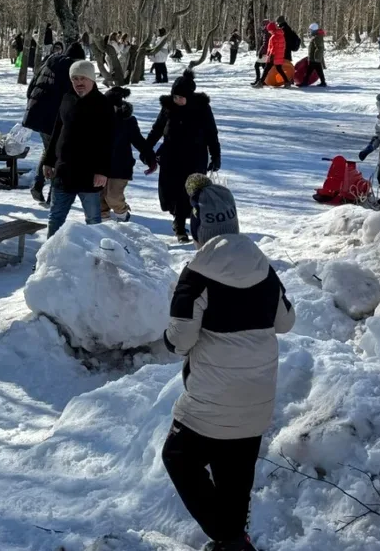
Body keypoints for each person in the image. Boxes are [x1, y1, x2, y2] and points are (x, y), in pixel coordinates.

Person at [161, 175, 295, 551]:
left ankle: (228, 538)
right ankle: (233, 540)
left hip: (209, 402)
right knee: (234, 477)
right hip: (257, 401)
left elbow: (181, 339)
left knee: (177, 457)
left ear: (198, 226)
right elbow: (286, 322)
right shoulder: (263, 268)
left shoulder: (197, 273)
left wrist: (168, 339)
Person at [146, 71, 221, 242]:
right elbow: (157, 129)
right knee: (172, 191)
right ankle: (178, 223)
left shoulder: (201, 108)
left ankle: (188, 226)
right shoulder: (168, 106)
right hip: (171, 156)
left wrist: (216, 155)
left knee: (191, 193)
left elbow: (211, 133)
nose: (177, 100)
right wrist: (146, 149)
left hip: (195, 157)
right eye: (175, 97)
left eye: (181, 97)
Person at [44, 60, 113, 237]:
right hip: (64, 170)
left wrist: (102, 171)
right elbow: (57, 130)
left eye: (83, 78)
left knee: (93, 221)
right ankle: (49, 260)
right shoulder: (67, 99)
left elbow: (108, 140)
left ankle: (95, 260)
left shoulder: (102, 103)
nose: (78, 82)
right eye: (75, 78)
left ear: (92, 79)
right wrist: (49, 160)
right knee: (55, 218)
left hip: (89, 173)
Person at [24, 42, 87, 204]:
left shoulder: (49, 62)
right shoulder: (72, 70)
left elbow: (30, 88)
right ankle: (54, 195)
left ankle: (38, 185)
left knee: (50, 151)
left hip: (37, 113)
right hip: (54, 118)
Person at [101, 87, 156, 222]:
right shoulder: (96, 119)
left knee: (113, 197)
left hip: (121, 166)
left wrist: (150, 158)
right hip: (99, 166)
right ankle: (103, 228)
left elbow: (138, 141)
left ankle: (123, 214)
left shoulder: (127, 121)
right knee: (100, 200)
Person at [254, 22, 289, 87]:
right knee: (279, 69)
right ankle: (287, 82)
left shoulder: (274, 37)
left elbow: (273, 48)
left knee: (266, 69)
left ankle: (261, 83)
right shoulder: (281, 35)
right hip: (279, 56)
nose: (269, 32)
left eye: (269, 30)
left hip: (273, 57)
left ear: (272, 30)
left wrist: (271, 55)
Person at [251, 20, 270, 86]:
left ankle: (259, 80)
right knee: (264, 66)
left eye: (262, 24)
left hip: (264, 52)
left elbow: (265, 44)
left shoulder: (266, 32)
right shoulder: (267, 32)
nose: (261, 26)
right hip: (266, 52)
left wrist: (260, 52)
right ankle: (263, 80)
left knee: (257, 65)